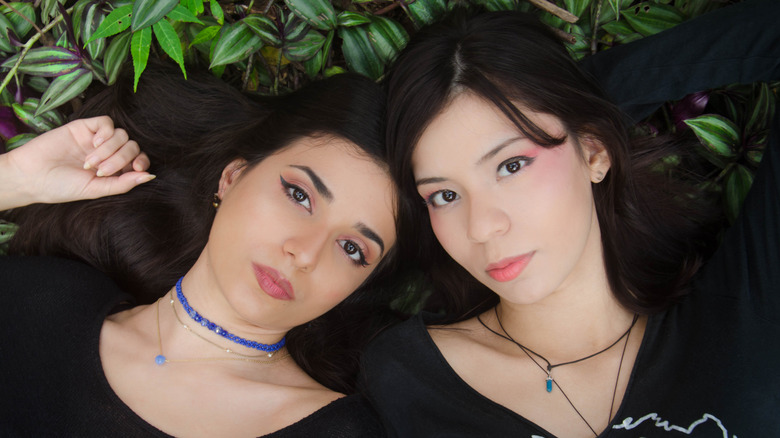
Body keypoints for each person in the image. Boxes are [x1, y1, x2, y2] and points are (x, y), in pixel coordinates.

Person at [361, 0, 780, 436]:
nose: (481, 227)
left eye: (511, 165)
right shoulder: (408, 380)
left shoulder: (743, 314)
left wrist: (578, 100)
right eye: (445, 195)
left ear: (596, 151)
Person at [0, 67, 400, 436]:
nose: (306, 254)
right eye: (299, 196)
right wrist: (16, 179)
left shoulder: (338, 430)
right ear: (232, 176)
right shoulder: (40, 300)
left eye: (352, 248)